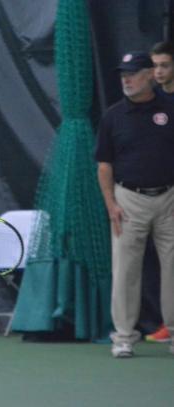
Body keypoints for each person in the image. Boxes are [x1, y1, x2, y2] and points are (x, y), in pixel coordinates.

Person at [95, 51, 174, 358]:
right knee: (125, 270)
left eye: (132, 73)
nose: (126, 79)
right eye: (122, 74)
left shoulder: (170, 109)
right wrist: (111, 204)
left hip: (170, 198)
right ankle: (124, 337)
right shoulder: (113, 116)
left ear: (150, 75)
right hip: (127, 200)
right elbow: (104, 165)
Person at [145, 41, 174, 343]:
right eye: (154, 66)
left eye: (164, 65)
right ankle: (170, 322)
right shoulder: (150, 102)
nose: (159, 71)